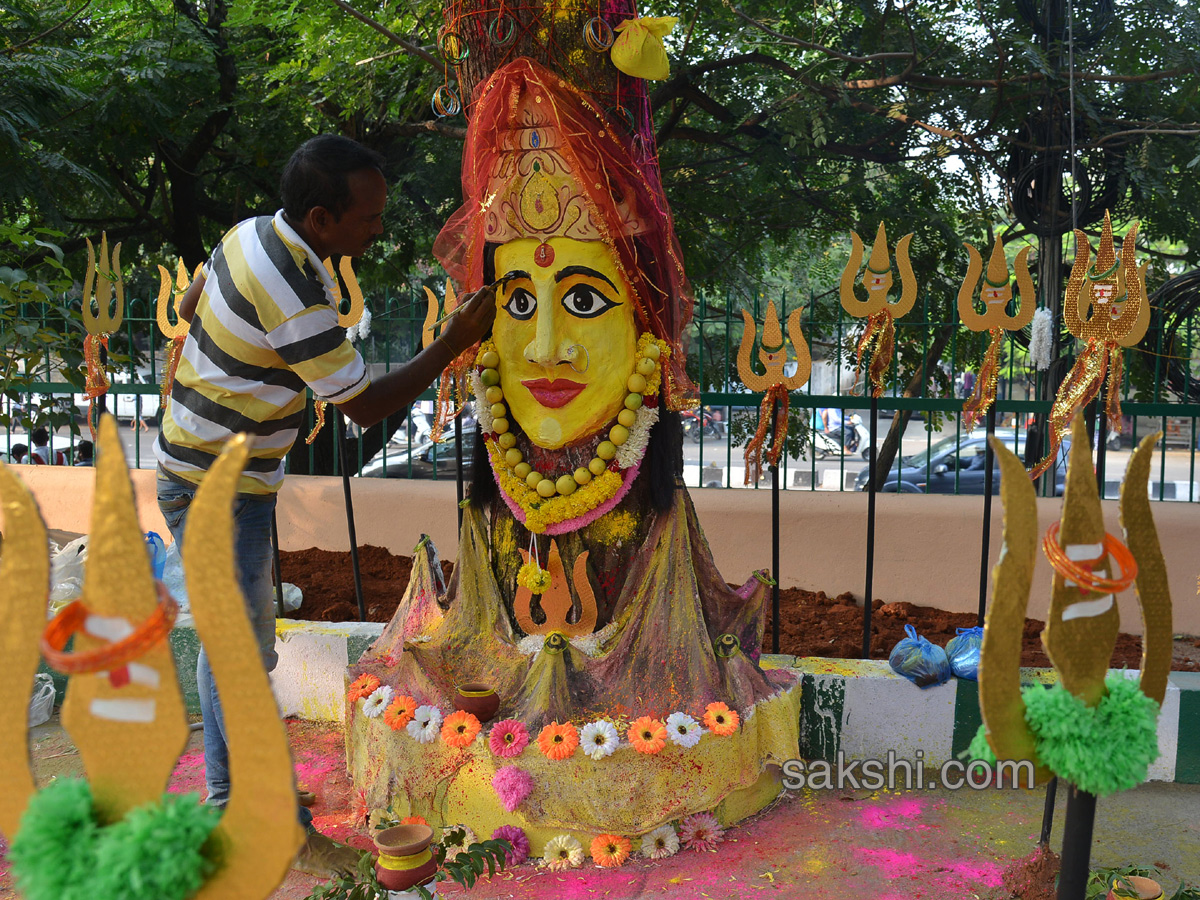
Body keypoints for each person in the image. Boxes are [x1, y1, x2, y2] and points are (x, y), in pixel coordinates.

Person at [154, 135, 495, 876]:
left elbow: (190, 299)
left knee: (236, 646)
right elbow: (366, 406)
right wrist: (453, 340)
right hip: (218, 488)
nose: (378, 228)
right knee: (241, 654)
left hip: (209, 470)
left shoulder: (248, 235)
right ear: (320, 217)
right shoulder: (294, 292)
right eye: (367, 216)